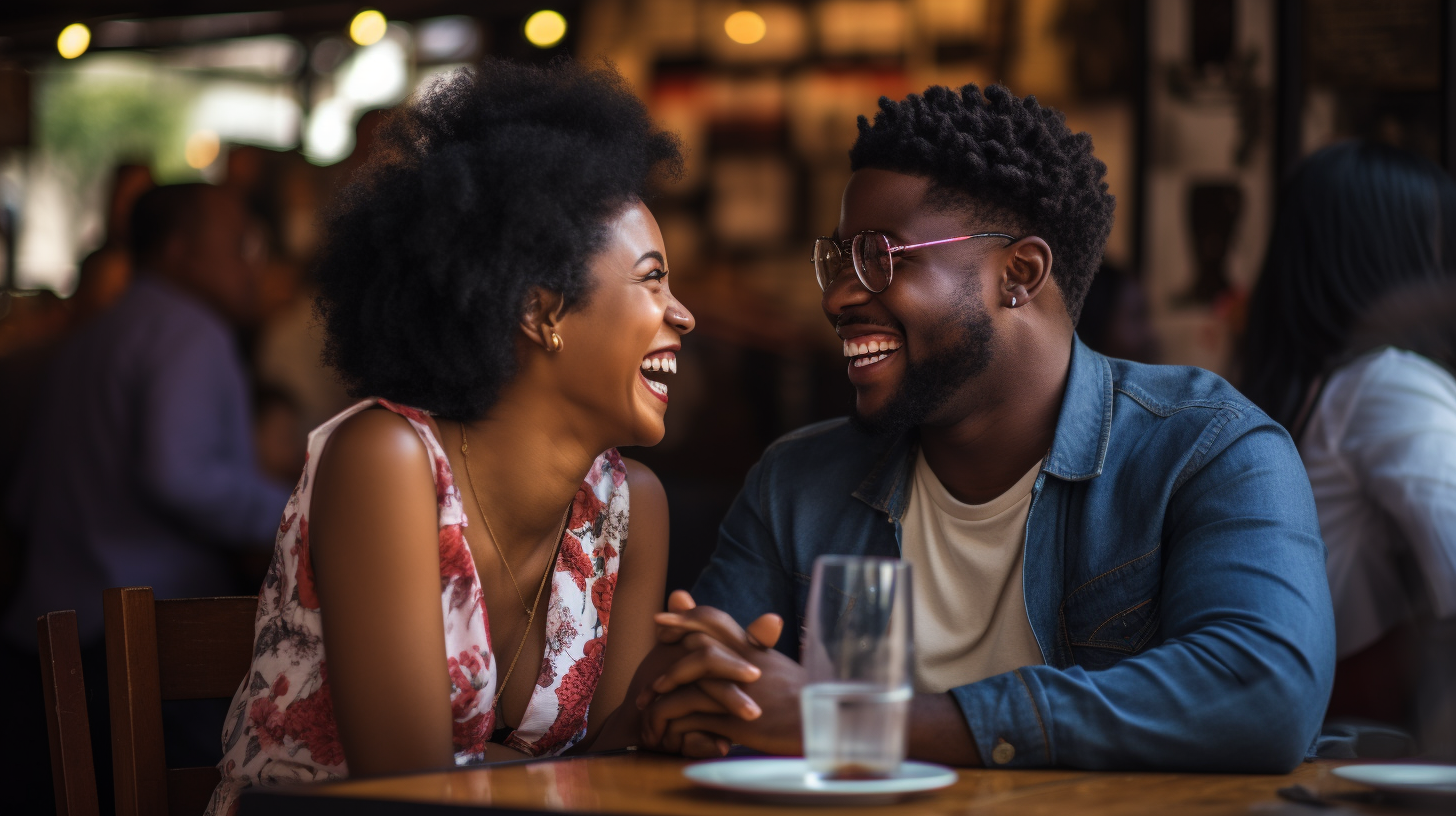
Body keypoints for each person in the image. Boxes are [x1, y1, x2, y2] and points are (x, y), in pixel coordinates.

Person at [633, 83, 1334, 772]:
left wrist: (853, 718)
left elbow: (1265, 694)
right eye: (839, 261)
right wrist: (694, 694)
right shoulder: (797, 482)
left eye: (878, 258)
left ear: (1019, 273)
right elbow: (705, 691)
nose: (840, 296)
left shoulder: (1207, 450)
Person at [206, 60, 710, 814]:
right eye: (651, 279)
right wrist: (592, 762)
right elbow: (410, 792)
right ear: (543, 313)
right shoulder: (385, 462)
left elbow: (620, 776)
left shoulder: (632, 510)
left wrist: (663, 707)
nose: (684, 315)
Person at [0, 182, 289, 814]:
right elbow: (176, 475)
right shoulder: (190, 332)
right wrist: (296, 516)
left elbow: (23, 502)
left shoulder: (93, 337)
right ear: (181, 251)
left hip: (47, 637)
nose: (255, 263)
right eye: (240, 244)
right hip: (141, 650)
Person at [1240, 142, 1456, 756]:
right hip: (1372, 749)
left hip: (1312, 744)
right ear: (1403, 258)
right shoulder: (1388, 385)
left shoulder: (1305, 391)